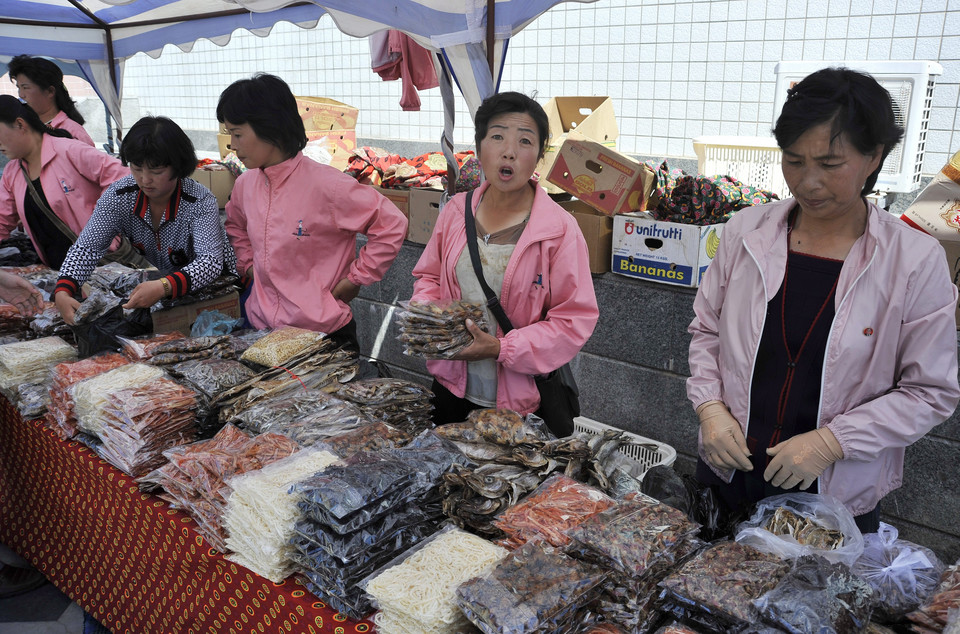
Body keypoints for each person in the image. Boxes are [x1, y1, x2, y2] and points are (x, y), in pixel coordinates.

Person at [687, 67, 960, 533]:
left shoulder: (912, 259)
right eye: (793, 161)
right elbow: (707, 331)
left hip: (832, 495)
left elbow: (930, 391)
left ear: (874, 156)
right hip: (727, 470)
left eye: (830, 164)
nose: (808, 182)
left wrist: (833, 442)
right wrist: (710, 408)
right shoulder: (745, 232)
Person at [411, 91, 599, 424]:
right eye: (497, 137)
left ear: (540, 156)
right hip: (451, 389)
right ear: (480, 147)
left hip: (523, 404)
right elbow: (429, 276)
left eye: (525, 142)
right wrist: (430, 318)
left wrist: (502, 349)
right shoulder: (456, 211)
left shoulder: (559, 230)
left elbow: (574, 320)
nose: (509, 151)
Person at [218, 73, 407, 351]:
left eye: (237, 133)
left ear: (269, 128)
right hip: (262, 330)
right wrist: (248, 264)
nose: (232, 145)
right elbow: (235, 224)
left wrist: (356, 278)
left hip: (322, 336)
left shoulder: (328, 185)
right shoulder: (246, 184)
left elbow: (391, 224)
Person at [54, 116, 237, 324]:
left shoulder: (199, 200)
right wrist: (64, 289)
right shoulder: (119, 196)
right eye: (137, 168)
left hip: (221, 289)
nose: (145, 179)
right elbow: (88, 247)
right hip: (173, 290)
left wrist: (164, 286)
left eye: (156, 171)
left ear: (178, 166)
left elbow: (210, 262)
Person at [0, 96, 128, 269]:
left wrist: (100, 226)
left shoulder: (70, 151)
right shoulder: (12, 172)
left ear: (20, 125)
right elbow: (2, 220)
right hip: (59, 275)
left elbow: (123, 177)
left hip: (104, 267)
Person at [8, 54, 95, 147]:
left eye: (25, 87)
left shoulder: (73, 131)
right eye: (19, 88)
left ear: (50, 91)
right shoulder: (24, 127)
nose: (21, 95)